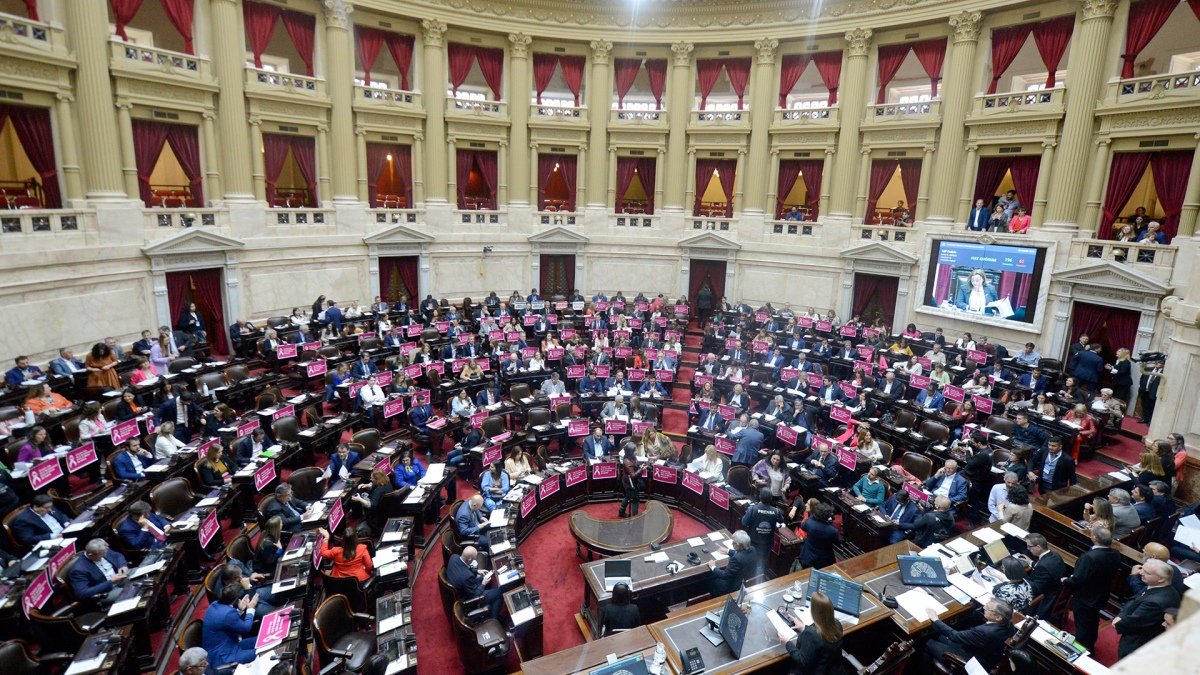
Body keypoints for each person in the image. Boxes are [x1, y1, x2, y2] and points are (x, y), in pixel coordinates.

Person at [1062, 526, 1122, 652]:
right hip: (1100, 595)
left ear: (1094, 538)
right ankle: (1089, 646)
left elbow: (1077, 580)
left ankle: (1080, 650)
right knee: (1092, 623)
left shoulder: (1089, 557)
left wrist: (1065, 580)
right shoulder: (1115, 554)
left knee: (1082, 625)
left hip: (1085, 597)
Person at [922, 599, 1016, 672]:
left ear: (998, 617)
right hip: (980, 652)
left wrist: (935, 619)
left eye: (988, 608)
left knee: (925, 641)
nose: (984, 608)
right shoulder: (1010, 625)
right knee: (937, 635)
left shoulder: (984, 632)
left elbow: (955, 636)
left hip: (970, 660)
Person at [1114, 559, 1181, 658]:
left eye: (1147, 573)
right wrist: (1121, 615)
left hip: (1137, 646)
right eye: (1143, 569)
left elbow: (1134, 622)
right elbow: (1134, 600)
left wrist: (1118, 623)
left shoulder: (1156, 602)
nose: (1141, 573)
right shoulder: (1157, 586)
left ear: (1161, 579)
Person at [780, 591, 844, 675]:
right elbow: (822, 635)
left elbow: (802, 661)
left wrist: (787, 643)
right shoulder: (837, 624)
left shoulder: (810, 634)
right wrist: (804, 627)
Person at [202, 583, 259, 668]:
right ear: (236, 599)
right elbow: (246, 628)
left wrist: (239, 610)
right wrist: (251, 609)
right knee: (262, 652)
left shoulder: (214, 605)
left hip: (230, 646)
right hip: (223, 657)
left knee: (263, 640)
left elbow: (226, 621)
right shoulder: (228, 613)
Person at [446, 545, 503, 618]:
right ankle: (493, 618)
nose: (475, 560)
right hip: (467, 597)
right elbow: (475, 595)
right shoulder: (467, 577)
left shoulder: (454, 557)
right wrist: (483, 584)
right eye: (474, 559)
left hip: (463, 584)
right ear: (469, 559)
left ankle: (490, 599)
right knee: (499, 593)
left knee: (486, 577)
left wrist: (478, 571)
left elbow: (464, 567)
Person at [68, 538, 129, 603]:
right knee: (130, 592)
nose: (105, 555)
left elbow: (117, 556)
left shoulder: (103, 549)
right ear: (91, 555)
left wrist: (122, 565)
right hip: (106, 592)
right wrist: (110, 582)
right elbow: (82, 593)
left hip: (119, 578)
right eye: (102, 554)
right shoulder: (78, 570)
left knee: (136, 579)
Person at [741, 488, 786, 575]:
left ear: (760, 497)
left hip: (753, 542)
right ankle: (758, 579)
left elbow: (744, 522)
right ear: (771, 498)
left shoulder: (752, 509)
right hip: (767, 543)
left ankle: (748, 577)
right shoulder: (776, 511)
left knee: (750, 561)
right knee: (761, 564)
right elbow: (782, 521)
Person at [1022, 533, 1066, 618]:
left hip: (1044, 599)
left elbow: (1035, 589)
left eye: (1029, 546)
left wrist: (1020, 578)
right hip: (1055, 590)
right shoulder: (1055, 555)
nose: (1028, 549)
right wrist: (1032, 563)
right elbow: (1048, 569)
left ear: (1038, 547)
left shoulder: (1043, 566)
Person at [707, 530, 756, 596]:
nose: (732, 544)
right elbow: (743, 554)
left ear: (738, 545)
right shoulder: (753, 549)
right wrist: (728, 551)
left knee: (709, 578)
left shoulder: (736, 559)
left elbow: (724, 575)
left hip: (730, 587)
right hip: (742, 580)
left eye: (733, 542)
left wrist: (713, 566)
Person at [797, 502, 838, 569]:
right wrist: (830, 523)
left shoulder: (810, 523)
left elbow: (803, 527)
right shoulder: (832, 531)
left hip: (808, 557)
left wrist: (813, 516)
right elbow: (836, 542)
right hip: (823, 561)